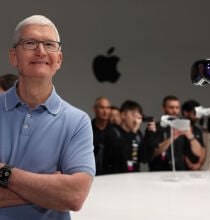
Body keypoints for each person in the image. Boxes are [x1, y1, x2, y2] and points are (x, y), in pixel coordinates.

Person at [0, 15, 95, 220]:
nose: (41, 51)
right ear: (13, 56)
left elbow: (74, 196)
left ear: (59, 59)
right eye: (30, 43)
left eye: (50, 44)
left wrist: (5, 173)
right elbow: (64, 195)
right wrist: (48, 190)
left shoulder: (77, 121)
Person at [142, 95, 203, 171]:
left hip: (180, 172)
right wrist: (172, 138)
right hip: (158, 172)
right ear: (163, 108)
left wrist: (190, 135)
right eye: (171, 107)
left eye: (177, 108)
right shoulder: (155, 127)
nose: (174, 111)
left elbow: (198, 153)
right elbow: (153, 152)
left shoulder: (185, 127)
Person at [112, 100, 144, 172]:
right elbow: (121, 155)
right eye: (134, 115)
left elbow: (144, 159)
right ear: (123, 115)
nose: (136, 119)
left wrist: (150, 133)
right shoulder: (114, 132)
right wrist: (133, 133)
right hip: (116, 176)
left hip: (134, 175)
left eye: (138, 116)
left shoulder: (138, 134)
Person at [181, 99, 206, 170]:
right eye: (195, 113)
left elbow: (203, 148)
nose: (197, 116)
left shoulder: (198, 130)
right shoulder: (178, 129)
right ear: (185, 112)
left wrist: (199, 164)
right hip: (181, 170)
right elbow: (179, 150)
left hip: (195, 171)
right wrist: (190, 164)